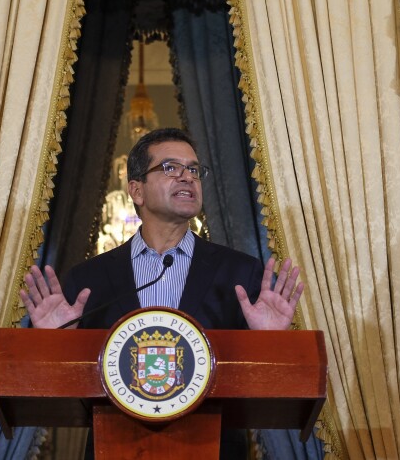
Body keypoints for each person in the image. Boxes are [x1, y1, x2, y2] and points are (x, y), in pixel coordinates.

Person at [20, 128, 305, 458]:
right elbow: (61, 394)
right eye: (170, 167)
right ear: (136, 191)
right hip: (116, 446)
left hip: (212, 449)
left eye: (194, 169)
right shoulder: (89, 280)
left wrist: (269, 343)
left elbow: (264, 392)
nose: (187, 177)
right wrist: (57, 347)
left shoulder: (240, 273)